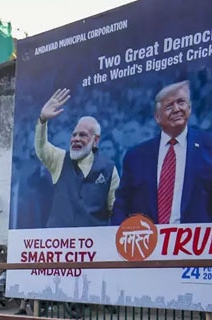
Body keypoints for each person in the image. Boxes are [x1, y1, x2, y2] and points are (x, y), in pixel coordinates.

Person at [111, 80, 212, 225]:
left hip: (197, 244)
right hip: (148, 243)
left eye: (181, 102)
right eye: (169, 106)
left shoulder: (208, 146)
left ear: (189, 109)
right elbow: (121, 205)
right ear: (157, 117)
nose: (177, 109)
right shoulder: (136, 156)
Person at [36, 88, 120, 228]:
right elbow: (41, 148)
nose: (76, 139)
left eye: (83, 135)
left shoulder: (109, 169)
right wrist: (42, 120)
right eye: (74, 135)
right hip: (58, 243)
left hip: (91, 245)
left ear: (96, 140)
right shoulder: (60, 159)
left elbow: (115, 208)